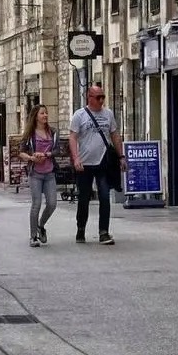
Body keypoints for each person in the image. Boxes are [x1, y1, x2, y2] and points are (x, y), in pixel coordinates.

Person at [69, 83, 127, 245]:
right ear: (89, 97)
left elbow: (115, 135)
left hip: (103, 162)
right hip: (85, 163)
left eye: (103, 97)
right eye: (98, 97)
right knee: (84, 198)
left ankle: (104, 232)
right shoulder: (79, 115)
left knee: (104, 197)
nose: (101, 100)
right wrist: (76, 158)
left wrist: (121, 156)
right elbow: (73, 138)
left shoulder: (108, 114)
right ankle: (81, 228)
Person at [19, 105, 59, 247]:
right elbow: (21, 152)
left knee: (52, 204)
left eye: (46, 113)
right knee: (36, 204)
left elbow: (57, 150)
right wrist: (31, 158)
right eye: (42, 113)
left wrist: (47, 154)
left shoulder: (53, 132)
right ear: (36, 116)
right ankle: (33, 236)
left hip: (49, 172)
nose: (45, 115)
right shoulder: (30, 134)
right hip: (35, 173)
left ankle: (41, 225)